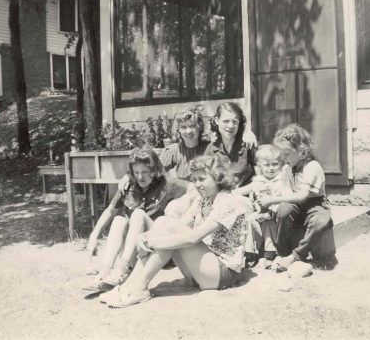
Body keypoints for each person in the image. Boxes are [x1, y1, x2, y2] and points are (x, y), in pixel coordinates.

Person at [98, 156, 254, 308]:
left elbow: (193, 238)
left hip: (222, 274)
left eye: (202, 179)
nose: (197, 184)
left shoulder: (227, 202)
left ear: (218, 178)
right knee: (162, 222)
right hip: (201, 271)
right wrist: (143, 236)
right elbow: (178, 224)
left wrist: (152, 241)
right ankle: (129, 285)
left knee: (169, 228)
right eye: (195, 180)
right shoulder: (203, 200)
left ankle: (140, 287)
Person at [83, 146, 193, 290]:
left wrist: (182, 206)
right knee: (119, 220)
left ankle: (122, 270)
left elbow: (195, 189)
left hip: (156, 248)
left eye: (145, 172)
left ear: (154, 170)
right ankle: (105, 272)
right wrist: (94, 235)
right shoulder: (129, 185)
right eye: (136, 172)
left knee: (138, 214)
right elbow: (110, 210)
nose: (140, 177)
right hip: (134, 249)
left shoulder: (168, 183)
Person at [256, 124, 337, 272]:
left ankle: (297, 255)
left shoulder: (312, 167)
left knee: (321, 220)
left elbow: (302, 196)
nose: (283, 158)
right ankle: (282, 251)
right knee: (284, 209)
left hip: (315, 205)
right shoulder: (288, 169)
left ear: (301, 152)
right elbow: (288, 196)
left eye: (286, 154)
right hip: (298, 207)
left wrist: (271, 199)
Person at [233, 144, 293, 268]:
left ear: (280, 164)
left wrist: (274, 205)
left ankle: (270, 251)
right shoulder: (258, 181)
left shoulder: (282, 180)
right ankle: (250, 252)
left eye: (275, 164)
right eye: (267, 165)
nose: (271, 168)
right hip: (260, 214)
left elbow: (288, 197)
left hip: (277, 215)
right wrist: (226, 193)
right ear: (259, 166)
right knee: (249, 220)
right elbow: (241, 191)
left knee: (268, 222)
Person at [205, 102, 256, 188]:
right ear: (217, 121)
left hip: (245, 196)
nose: (231, 125)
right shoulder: (211, 148)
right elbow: (205, 180)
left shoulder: (248, 145)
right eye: (226, 121)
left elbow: (261, 178)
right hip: (220, 198)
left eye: (235, 121)